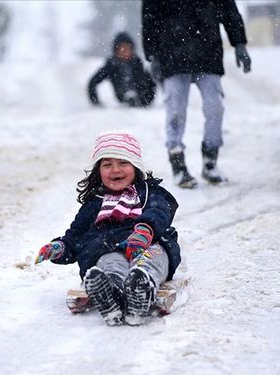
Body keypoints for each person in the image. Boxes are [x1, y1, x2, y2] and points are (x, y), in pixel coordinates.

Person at [34, 131, 181, 326]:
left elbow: (159, 210)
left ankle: (141, 288)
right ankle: (110, 294)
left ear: (136, 166)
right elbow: (75, 236)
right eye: (107, 164)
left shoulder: (148, 193)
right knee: (110, 264)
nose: (115, 170)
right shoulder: (94, 204)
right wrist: (59, 247)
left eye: (123, 163)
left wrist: (145, 230)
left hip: (147, 244)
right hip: (108, 249)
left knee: (151, 260)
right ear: (98, 170)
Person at [141, 0, 252, 188]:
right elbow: (150, 18)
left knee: (215, 107)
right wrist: (152, 55)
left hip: (208, 52)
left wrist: (239, 43)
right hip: (172, 54)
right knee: (175, 110)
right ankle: (178, 163)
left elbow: (229, 11)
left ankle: (210, 160)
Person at [87, 32, 156, 108]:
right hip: (122, 98)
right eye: (121, 48)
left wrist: (147, 100)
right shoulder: (111, 66)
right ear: (116, 50)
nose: (125, 51)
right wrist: (95, 102)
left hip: (142, 100)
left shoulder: (138, 63)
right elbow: (93, 82)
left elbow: (151, 83)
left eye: (127, 48)